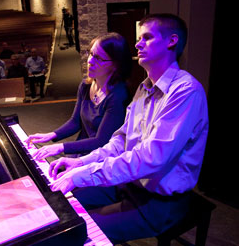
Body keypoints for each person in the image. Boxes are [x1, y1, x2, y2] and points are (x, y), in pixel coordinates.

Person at [48, 14, 209, 244]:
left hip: (160, 203)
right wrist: (81, 163)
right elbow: (120, 141)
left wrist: (86, 175)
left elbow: (151, 158)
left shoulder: (186, 91)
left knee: (75, 232)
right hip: (129, 185)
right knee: (60, 204)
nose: (137, 44)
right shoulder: (145, 88)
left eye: (147, 38)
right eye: (138, 38)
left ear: (171, 41)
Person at [26, 33, 131, 159]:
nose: (90, 61)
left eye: (99, 58)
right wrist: (52, 135)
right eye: (91, 54)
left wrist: (60, 147)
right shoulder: (86, 85)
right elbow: (75, 122)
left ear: (115, 65)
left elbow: (101, 141)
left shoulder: (118, 96)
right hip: (81, 150)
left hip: (101, 159)